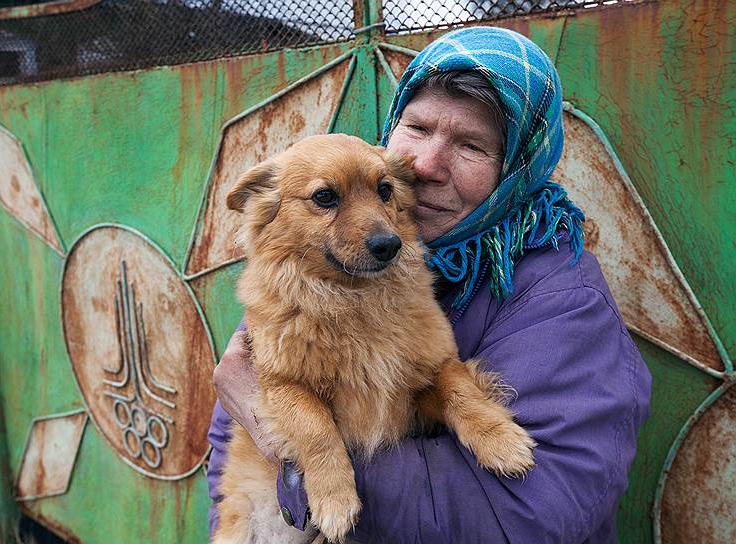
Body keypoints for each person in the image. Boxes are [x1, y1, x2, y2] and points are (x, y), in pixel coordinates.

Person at [207, 26, 651, 543]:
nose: (425, 166)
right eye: (416, 128)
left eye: (471, 145)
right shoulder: (315, 268)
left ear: (517, 169)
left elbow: (530, 515)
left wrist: (298, 460)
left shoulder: (564, 303)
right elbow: (231, 441)